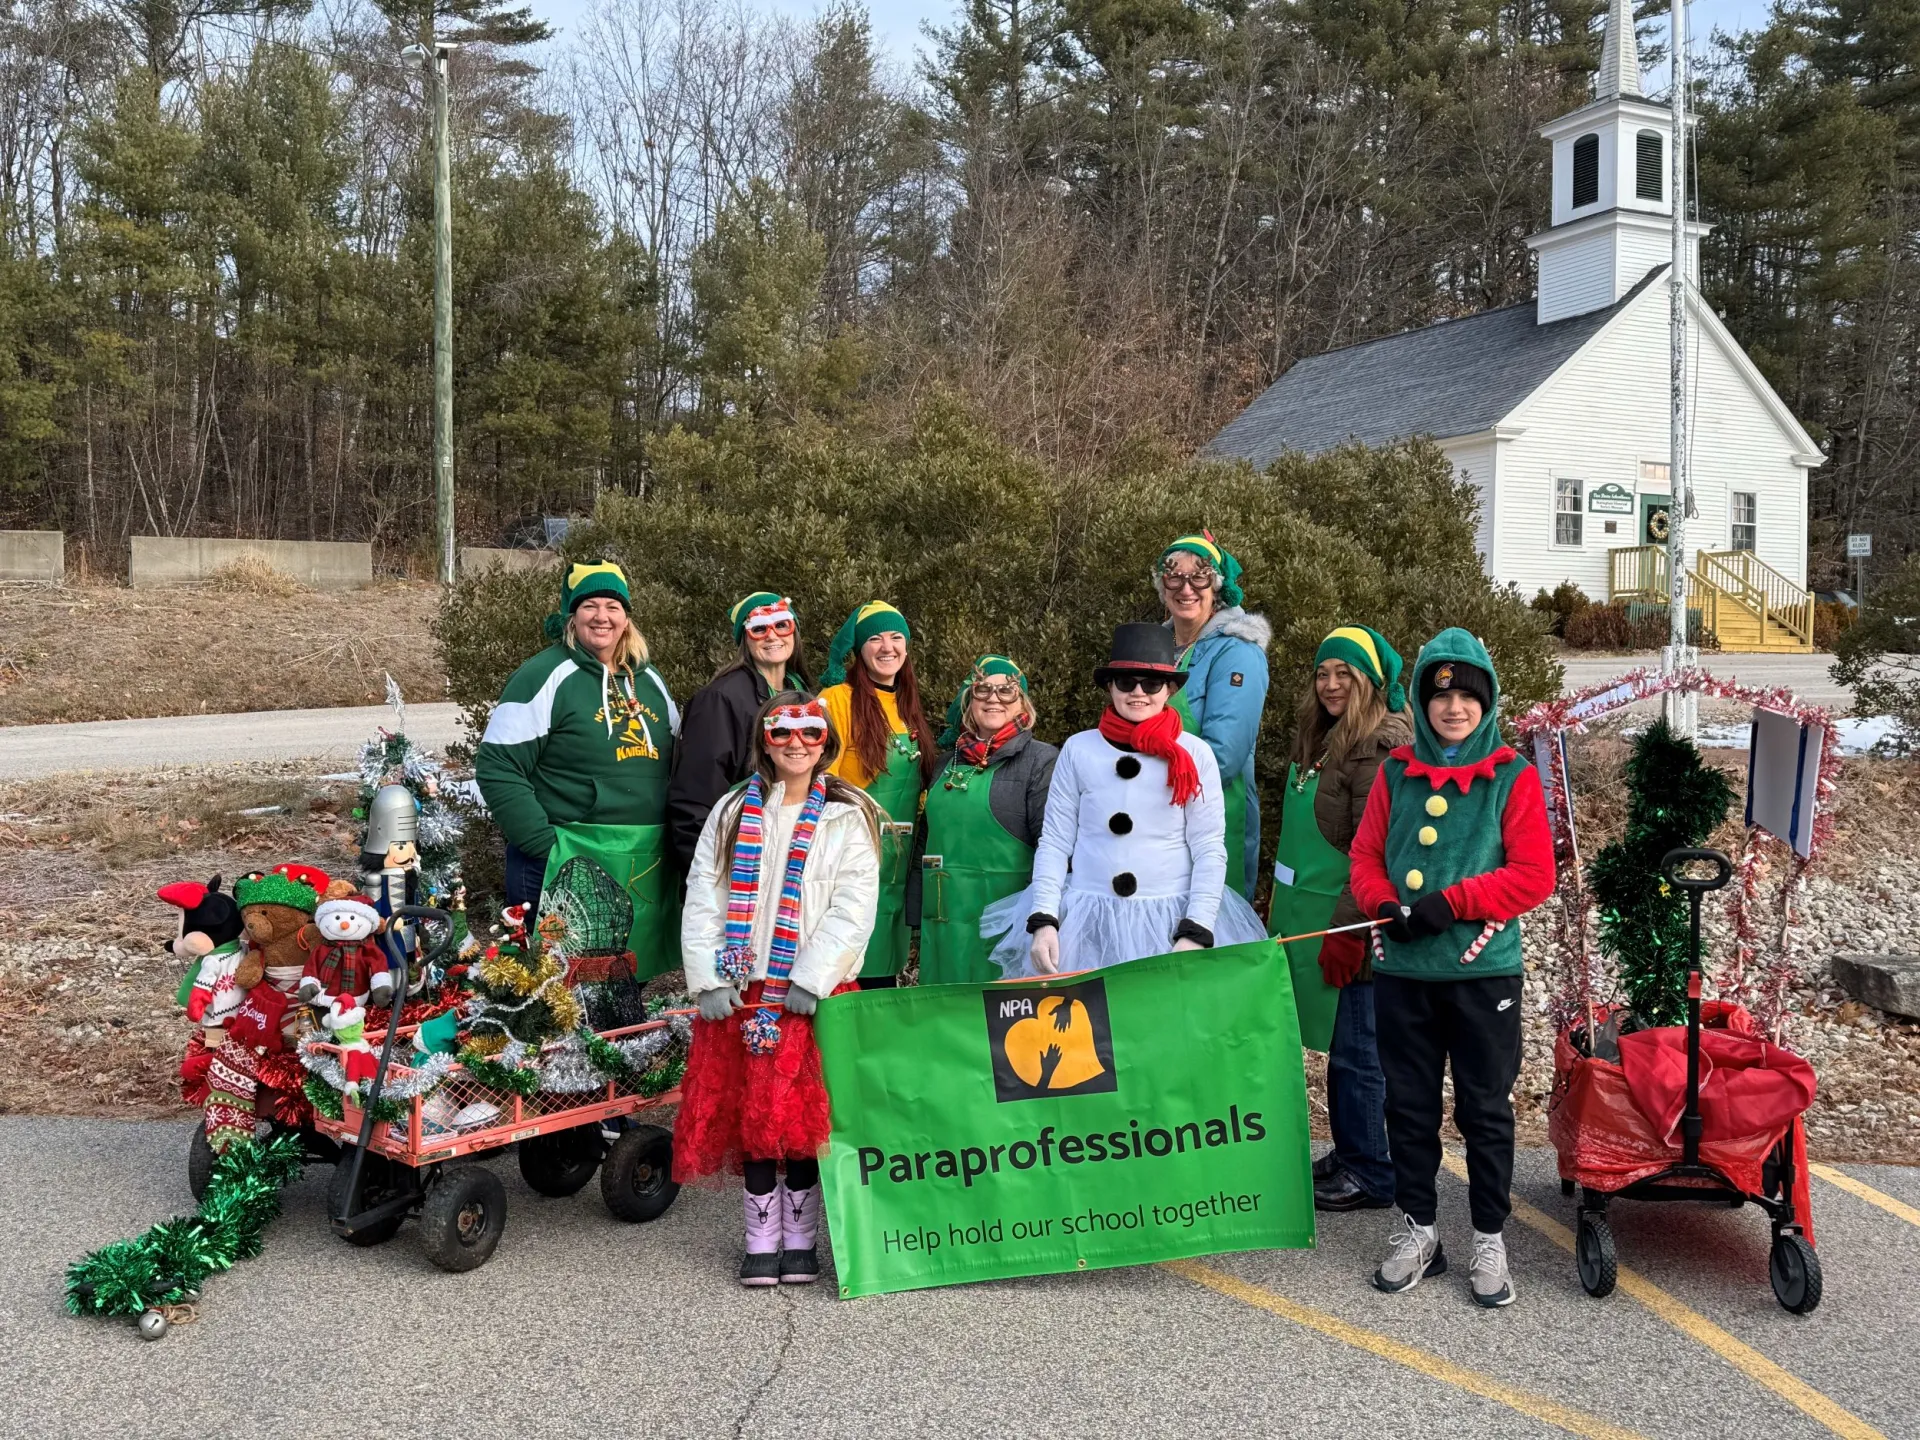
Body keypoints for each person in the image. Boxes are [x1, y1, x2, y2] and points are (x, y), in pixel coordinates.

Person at [1348, 628, 1555, 1308]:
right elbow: (1366, 857)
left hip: (1481, 974)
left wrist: (1453, 902)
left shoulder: (1513, 777)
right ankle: (1419, 1230)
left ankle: (1490, 1236)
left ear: (1487, 702)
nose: (1454, 708)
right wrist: (1382, 902)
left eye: (1468, 696)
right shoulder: (1395, 773)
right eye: (1441, 696)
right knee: (1406, 1106)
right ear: (1422, 700)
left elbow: (1533, 875)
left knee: (1485, 1109)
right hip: (1404, 973)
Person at [676, 692, 882, 1286]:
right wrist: (709, 977)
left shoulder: (849, 813)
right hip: (744, 990)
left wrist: (814, 978)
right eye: (782, 733)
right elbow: (704, 895)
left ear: (826, 741)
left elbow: (853, 904)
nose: (796, 744)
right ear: (765, 739)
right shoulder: (733, 810)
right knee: (755, 1116)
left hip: (810, 992)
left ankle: (802, 1237)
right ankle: (760, 1236)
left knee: (800, 1118)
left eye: (810, 733)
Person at [984, 624, 1268, 977]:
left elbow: (1209, 847)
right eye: (1126, 682)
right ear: (1110, 687)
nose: (1138, 692)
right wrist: (1044, 919)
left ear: (1170, 689)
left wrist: (1197, 927)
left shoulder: (1195, 754)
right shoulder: (1078, 749)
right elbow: (1056, 842)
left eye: (1151, 684)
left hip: (1167, 921)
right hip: (1088, 921)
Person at [474, 562, 681, 977]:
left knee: (624, 976)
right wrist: (541, 843)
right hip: (565, 855)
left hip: (641, 859)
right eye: (589, 605)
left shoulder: (651, 680)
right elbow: (497, 764)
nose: (602, 616)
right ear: (572, 615)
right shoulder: (544, 675)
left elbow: (679, 758)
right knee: (552, 982)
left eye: (612, 606)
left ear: (626, 618)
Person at [1270, 626, 1413, 1215]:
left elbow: (1374, 849)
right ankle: (1353, 1149)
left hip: (1351, 923)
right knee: (1340, 1044)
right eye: (1323, 673)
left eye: (1344, 674)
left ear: (1372, 681)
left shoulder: (1379, 746)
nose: (1330, 684)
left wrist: (1351, 930)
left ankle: (1373, 1171)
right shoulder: (1329, 737)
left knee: (1360, 1049)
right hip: (1312, 914)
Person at [911, 656, 1058, 985]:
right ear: (968, 700)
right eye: (983, 690)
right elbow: (924, 841)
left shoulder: (1041, 761)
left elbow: (1052, 846)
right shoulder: (943, 763)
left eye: (1007, 691)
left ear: (1022, 703)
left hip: (1006, 923)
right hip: (943, 921)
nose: (994, 698)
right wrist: (914, 911)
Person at [818, 601, 937, 987]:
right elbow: (820, 781)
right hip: (854, 853)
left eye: (896, 637)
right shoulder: (837, 699)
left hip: (897, 861)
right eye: (875, 638)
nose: (887, 647)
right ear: (859, 649)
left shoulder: (908, 706)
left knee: (885, 965)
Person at [1157, 533, 1271, 902]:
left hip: (1212, 820)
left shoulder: (1238, 653)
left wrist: (1143, 793)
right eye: (1175, 577)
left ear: (1217, 586)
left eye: (1199, 577)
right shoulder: (1155, 649)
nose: (1186, 588)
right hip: (1153, 825)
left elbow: (1222, 758)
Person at [667, 592, 811, 869]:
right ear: (745, 638)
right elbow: (693, 799)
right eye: (759, 628)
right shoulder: (720, 698)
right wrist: (711, 876)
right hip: (738, 857)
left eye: (781, 624)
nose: (772, 636)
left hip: (788, 853)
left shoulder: (802, 694)